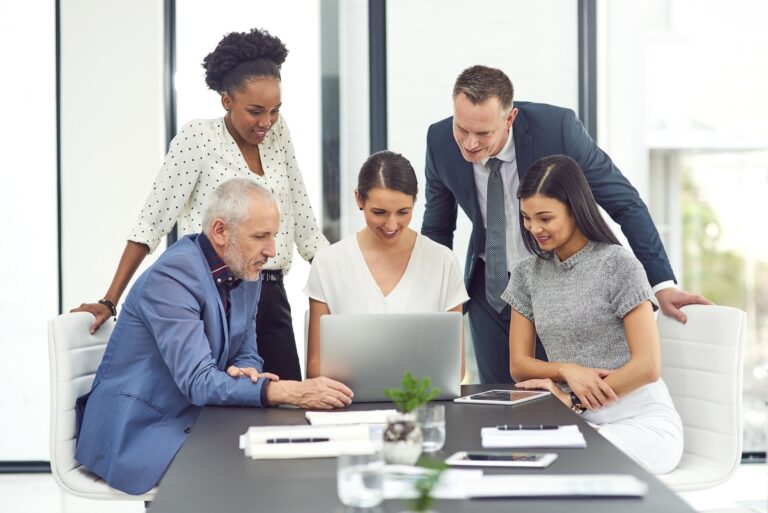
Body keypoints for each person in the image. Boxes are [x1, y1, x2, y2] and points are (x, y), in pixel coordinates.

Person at [421, 64, 710, 384]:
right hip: (490, 292)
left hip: (560, 289)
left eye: (484, 134)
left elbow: (624, 202)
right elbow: (437, 229)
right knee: (499, 398)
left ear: (510, 118)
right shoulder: (439, 141)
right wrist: (431, 297)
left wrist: (662, 284)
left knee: (563, 396)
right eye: (462, 129)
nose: (470, 143)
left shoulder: (557, 129)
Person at [71, 28, 327, 381]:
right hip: (213, 296)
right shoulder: (198, 139)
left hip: (269, 292)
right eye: (255, 111)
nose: (266, 122)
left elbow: (306, 223)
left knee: (288, 404)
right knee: (219, 409)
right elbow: (152, 222)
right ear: (226, 100)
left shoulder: (278, 135)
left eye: (274, 111)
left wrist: (350, 283)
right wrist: (110, 299)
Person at [74, 179, 353, 495]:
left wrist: (246, 370)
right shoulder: (172, 278)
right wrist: (287, 390)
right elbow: (198, 381)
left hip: (195, 415)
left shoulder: (246, 268)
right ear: (220, 231)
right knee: (252, 472)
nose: (271, 251)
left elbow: (247, 351)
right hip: (138, 430)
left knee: (279, 458)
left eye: (274, 236)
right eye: (260, 236)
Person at [506, 155, 683, 474]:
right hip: (576, 420)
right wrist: (567, 370)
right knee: (515, 460)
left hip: (641, 421)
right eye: (527, 218)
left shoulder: (618, 265)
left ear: (574, 209)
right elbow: (519, 365)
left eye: (545, 218)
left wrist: (574, 402)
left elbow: (648, 366)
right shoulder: (526, 275)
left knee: (564, 463)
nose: (534, 229)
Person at [304, 151, 469, 378]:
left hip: (421, 404)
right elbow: (316, 368)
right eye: (379, 212)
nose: (391, 224)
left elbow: (455, 370)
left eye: (403, 212)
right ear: (359, 199)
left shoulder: (443, 262)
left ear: (415, 201)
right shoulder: (328, 263)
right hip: (347, 405)